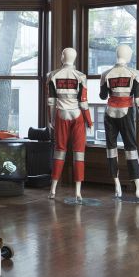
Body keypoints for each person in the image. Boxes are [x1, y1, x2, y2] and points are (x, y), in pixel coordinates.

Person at [99, 45, 139, 202]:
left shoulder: (105, 74)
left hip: (109, 113)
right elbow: (138, 100)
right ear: (128, 55)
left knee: (111, 148)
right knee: (131, 148)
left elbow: (103, 96)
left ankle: (116, 184)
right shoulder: (134, 73)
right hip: (126, 112)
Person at [47, 48, 92, 202]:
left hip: (61, 114)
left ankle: (53, 189)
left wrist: (50, 118)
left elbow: (51, 101)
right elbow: (84, 102)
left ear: (62, 57)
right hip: (77, 114)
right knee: (79, 152)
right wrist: (90, 121)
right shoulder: (80, 76)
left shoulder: (52, 75)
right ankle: (78, 192)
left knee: (59, 151)